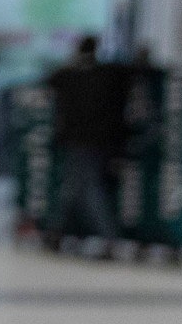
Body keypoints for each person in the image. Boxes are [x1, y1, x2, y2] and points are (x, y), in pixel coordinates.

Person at [45, 33, 125, 256]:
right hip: (99, 141)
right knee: (75, 188)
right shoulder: (106, 74)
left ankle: (107, 238)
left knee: (85, 190)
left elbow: (50, 80)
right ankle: (56, 231)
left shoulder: (69, 75)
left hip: (77, 141)